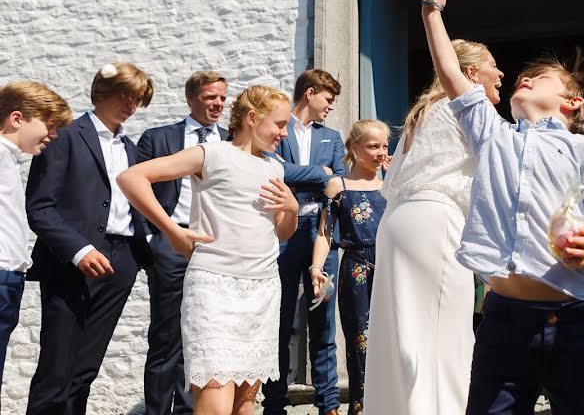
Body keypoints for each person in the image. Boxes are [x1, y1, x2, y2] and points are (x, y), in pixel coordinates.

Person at [410, 0, 584, 415]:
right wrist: (433, 12)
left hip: (575, 323)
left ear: (572, 101)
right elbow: (451, 73)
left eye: (540, 77)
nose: (524, 77)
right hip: (503, 322)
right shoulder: (493, 133)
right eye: (524, 76)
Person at [118, 85, 299, 415]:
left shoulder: (275, 167)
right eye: (279, 124)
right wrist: (172, 231)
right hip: (215, 288)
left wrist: (292, 209)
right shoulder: (212, 153)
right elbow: (133, 178)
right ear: (252, 118)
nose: (284, 134)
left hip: (263, 291)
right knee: (215, 405)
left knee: (245, 405)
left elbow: (282, 231)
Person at [365, 39, 503, 415]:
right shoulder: (465, 110)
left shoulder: (422, 113)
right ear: (470, 73)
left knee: (401, 339)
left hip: (398, 223)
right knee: (445, 338)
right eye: (493, 65)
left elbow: (390, 183)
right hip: (435, 220)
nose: (501, 74)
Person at [25, 63, 155, 415]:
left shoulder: (130, 149)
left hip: (121, 261)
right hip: (72, 261)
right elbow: (40, 208)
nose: (132, 105)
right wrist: (79, 251)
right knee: (56, 369)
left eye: (138, 99)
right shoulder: (65, 134)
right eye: (126, 96)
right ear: (102, 93)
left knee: (85, 371)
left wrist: (147, 257)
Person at [137, 70, 228, 415]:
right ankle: (157, 410)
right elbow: (133, 191)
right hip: (171, 244)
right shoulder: (158, 138)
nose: (218, 103)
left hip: (216, 249)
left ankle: (190, 410)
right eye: (210, 97)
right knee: (166, 335)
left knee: (204, 336)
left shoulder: (232, 141)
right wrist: (153, 238)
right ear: (191, 99)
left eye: (222, 97)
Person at [263, 70, 345, 415]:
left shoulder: (333, 137)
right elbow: (274, 171)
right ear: (309, 93)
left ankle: (328, 405)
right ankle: (275, 404)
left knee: (323, 321)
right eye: (328, 99)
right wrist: (318, 175)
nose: (330, 107)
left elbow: (338, 181)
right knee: (278, 323)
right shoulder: (278, 133)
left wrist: (302, 176)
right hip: (282, 232)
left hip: (321, 232)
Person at [311, 120, 390, 415]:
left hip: (393, 269)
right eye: (373, 146)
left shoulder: (392, 183)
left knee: (395, 339)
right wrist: (316, 267)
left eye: (384, 146)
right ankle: (361, 408)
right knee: (361, 342)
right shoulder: (338, 185)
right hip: (356, 268)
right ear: (354, 149)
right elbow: (324, 233)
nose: (381, 153)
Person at [0, 82, 71, 410]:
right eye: (48, 125)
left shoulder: (10, 160)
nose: (52, 135)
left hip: (9, 279)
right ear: (17, 118)